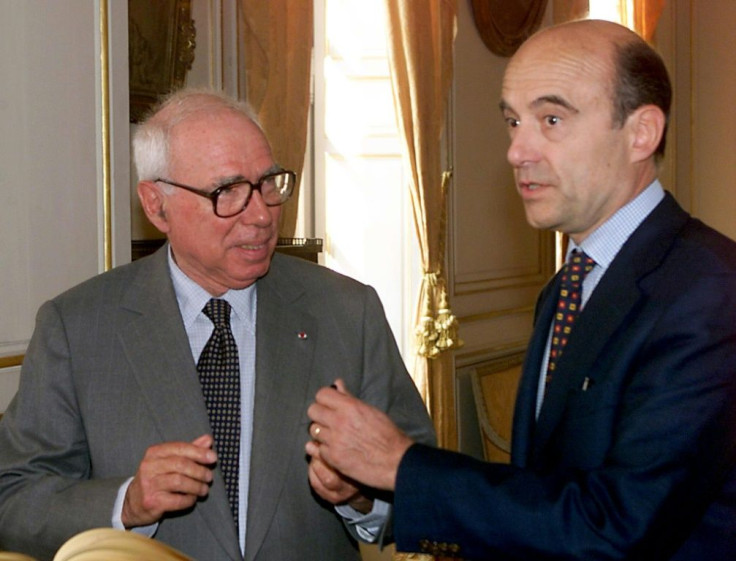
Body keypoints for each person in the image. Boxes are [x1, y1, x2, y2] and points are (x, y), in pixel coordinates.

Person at [305, 19, 736, 561]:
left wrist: (403, 465)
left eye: (551, 119)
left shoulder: (711, 291)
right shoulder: (567, 286)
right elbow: (542, 496)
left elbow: (617, 529)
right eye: (513, 121)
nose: (516, 151)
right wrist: (377, 492)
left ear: (641, 132)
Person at [0, 89, 435, 561]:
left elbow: (427, 494)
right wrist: (126, 502)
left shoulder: (349, 312)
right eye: (227, 191)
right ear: (155, 204)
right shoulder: (77, 327)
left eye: (268, 183)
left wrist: (361, 496)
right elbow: (14, 501)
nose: (262, 214)